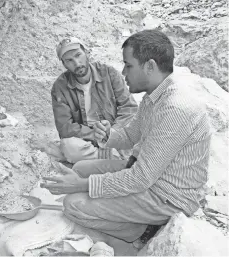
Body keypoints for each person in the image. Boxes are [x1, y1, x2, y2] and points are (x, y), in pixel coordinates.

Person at [41, 30, 211, 244]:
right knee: (80, 169)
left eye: (128, 65)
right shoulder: (154, 96)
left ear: (149, 66)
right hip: (147, 175)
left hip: (167, 196)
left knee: (73, 204)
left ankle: (142, 231)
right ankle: (127, 214)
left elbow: (140, 179)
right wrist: (107, 136)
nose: (123, 72)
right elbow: (130, 135)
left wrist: (81, 185)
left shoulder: (175, 108)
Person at [47, 37, 138, 164]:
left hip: (113, 131)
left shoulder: (108, 73)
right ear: (64, 64)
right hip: (87, 138)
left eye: (78, 55)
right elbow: (65, 127)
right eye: (69, 60)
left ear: (87, 53)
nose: (77, 63)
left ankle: (105, 156)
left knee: (141, 133)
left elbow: (129, 107)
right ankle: (111, 156)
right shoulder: (60, 87)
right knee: (69, 146)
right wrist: (93, 134)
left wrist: (112, 132)